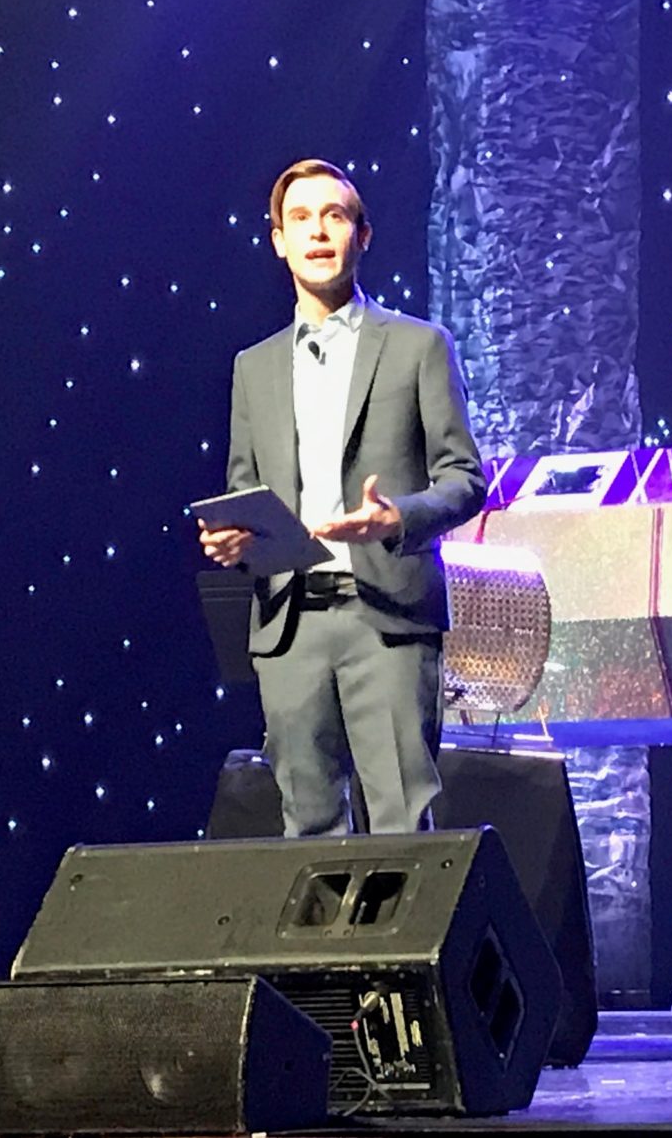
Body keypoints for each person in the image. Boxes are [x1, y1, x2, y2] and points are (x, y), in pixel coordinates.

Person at [197, 158, 485, 836]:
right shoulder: (254, 365)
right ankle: (326, 951)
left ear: (362, 234)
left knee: (401, 829)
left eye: (335, 216)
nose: (318, 232)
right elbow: (246, 486)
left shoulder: (419, 346)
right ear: (278, 240)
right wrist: (233, 539)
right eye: (301, 218)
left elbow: (466, 479)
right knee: (308, 832)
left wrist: (397, 518)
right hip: (290, 625)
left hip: (385, 619)